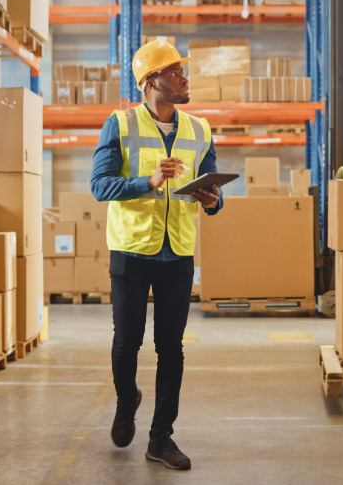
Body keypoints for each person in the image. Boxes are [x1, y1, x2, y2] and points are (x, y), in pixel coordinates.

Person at [90, 40, 222, 471]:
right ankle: (127, 401)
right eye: (175, 71)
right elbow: (101, 186)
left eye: (183, 71)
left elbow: (214, 194)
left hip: (177, 253)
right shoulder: (120, 124)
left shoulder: (200, 129)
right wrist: (146, 182)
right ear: (151, 82)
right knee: (127, 343)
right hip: (131, 249)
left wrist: (211, 199)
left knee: (172, 347)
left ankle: (161, 437)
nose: (184, 78)